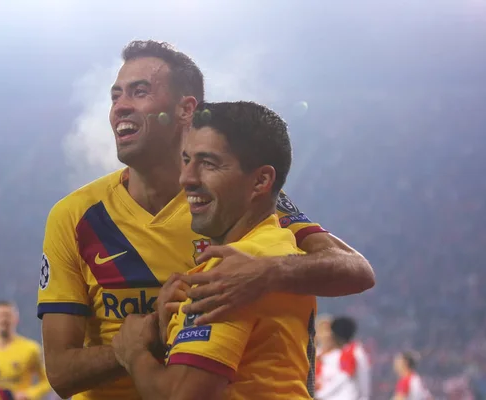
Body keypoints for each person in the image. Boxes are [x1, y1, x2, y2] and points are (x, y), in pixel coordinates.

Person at [38, 40, 374, 400]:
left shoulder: (237, 198)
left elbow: (356, 269)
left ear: (186, 109)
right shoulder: (74, 215)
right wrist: (142, 339)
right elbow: (60, 373)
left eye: (139, 92)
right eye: (116, 95)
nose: (120, 106)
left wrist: (267, 273)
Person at [112, 100, 316, 399]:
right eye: (186, 160)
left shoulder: (236, 273)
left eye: (208, 163)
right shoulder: (278, 246)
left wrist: (133, 352)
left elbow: (181, 396)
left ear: (261, 180)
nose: (187, 178)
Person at [315, 316, 370, 400]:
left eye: (329, 330)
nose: (327, 334)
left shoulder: (350, 352)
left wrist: (320, 395)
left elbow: (345, 377)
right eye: (323, 331)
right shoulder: (314, 356)